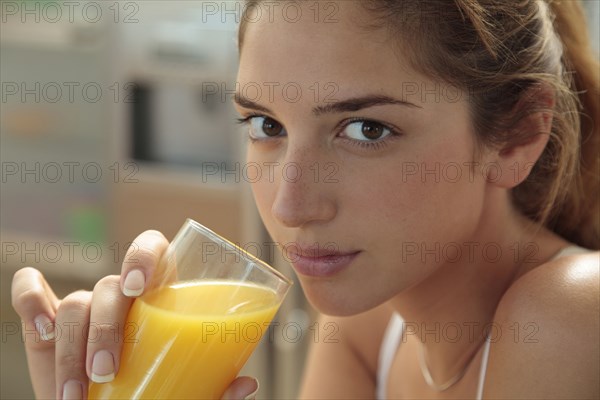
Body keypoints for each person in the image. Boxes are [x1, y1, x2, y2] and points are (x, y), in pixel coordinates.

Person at [11, 0, 599, 399]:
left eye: (366, 130)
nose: (290, 208)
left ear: (518, 136)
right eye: (266, 126)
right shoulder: (368, 323)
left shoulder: (571, 314)